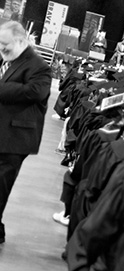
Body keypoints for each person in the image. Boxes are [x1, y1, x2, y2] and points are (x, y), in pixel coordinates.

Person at [0, 21, 52, 244]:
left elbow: (35, 92)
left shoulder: (39, 66)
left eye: (5, 44)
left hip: (14, 138)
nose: (2, 49)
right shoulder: (8, 58)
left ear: (21, 41)